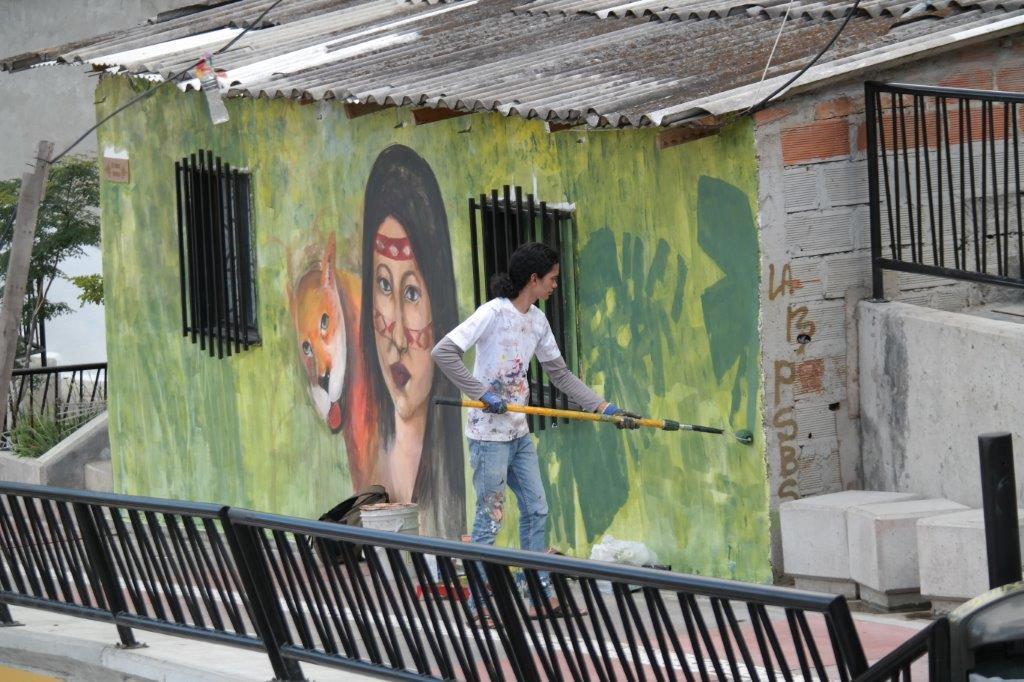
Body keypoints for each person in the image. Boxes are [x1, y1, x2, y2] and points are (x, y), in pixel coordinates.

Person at [431, 241, 640, 616]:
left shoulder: (538, 321)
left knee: (537, 510)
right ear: (534, 279)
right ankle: (479, 606)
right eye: (552, 279)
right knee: (490, 520)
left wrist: (603, 407)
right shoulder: (492, 313)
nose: (555, 285)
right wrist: (481, 393)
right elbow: (443, 352)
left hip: (518, 434)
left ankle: (538, 597)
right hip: (488, 436)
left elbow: (560, 375)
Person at [361, 144, 465, 540]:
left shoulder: (455, 484)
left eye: (412, 293)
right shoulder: (366, 460)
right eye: (384, 285)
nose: (398, 336)